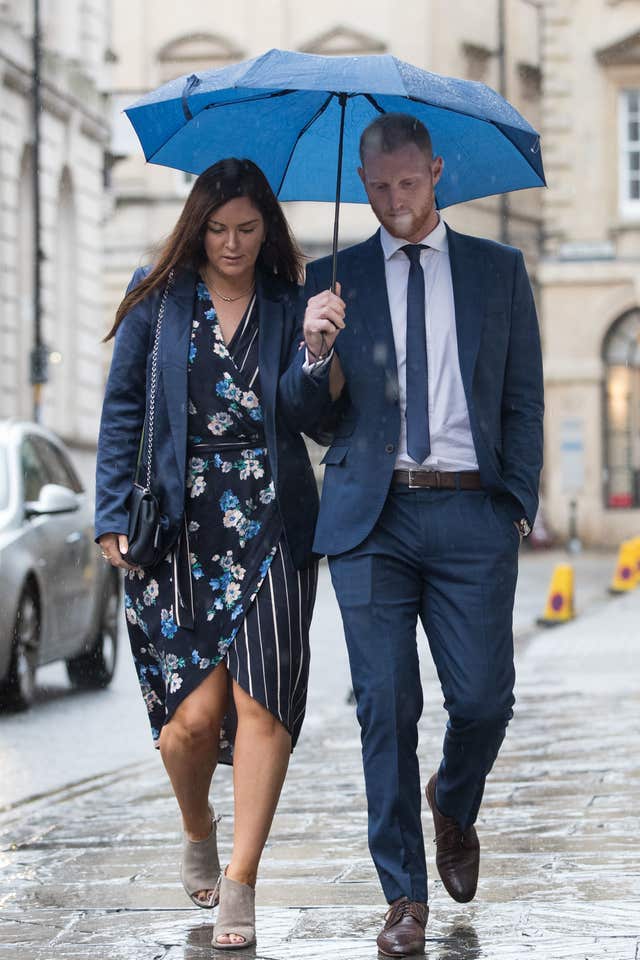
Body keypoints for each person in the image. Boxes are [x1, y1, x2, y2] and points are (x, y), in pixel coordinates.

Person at [286, 113, 544, 957]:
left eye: (409, 183)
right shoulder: (331, 280)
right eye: (380, 187)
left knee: (481, 701)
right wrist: (314, 354)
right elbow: (307, 419)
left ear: (435, 172)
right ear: (363, 185)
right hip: (373, 518)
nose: (396, 201)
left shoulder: (499, 271)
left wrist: (518, 502)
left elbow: (523, 400)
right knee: (384, 707)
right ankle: (403, 898)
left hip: (473, 510)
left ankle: (454, 802)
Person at [95, 158, 327, 951]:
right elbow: (123, 405)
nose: (232, 244)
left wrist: (320, 353)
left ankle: (241, 881)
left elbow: (313, 418)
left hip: (274, 520)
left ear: (269, 231)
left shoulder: (293, 301)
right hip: (177, 526)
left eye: (248, 229)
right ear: (198, 227)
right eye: (219, 229)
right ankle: (197, 823)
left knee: (263, 704)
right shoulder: (157, 300)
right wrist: (108, 517)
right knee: (188, 725)